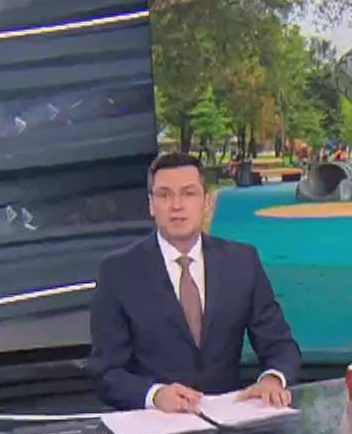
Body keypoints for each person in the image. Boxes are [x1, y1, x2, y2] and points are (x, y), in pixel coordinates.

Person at [89, 151, 301, 412]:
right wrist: (154, 395)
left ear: (207, 202)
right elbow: (106, 372)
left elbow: (280, 345)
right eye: (164, 195)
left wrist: (272, 379)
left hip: (229, 421)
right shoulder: (118, 272)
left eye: (188, 193)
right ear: (151, 205)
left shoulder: (242, 262)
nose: (176, 205)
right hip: (156, 425)